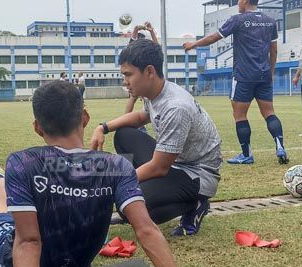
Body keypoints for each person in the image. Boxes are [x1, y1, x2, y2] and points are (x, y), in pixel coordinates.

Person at [0, 81, 238, 267]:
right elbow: (146, 230)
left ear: (37, 128)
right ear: (85, 117)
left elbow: (28, 241)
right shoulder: (115, 166)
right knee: (11, 197)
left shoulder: (22, 162)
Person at [90, 40, 222, 236]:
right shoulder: (156, 92)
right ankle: (135, 184)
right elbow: (141, 117)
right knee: (124, 134)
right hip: (174, 163)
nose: (124, 81)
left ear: (149, 71)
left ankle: (195, 204)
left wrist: (116, 183)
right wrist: (103, 127)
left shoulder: (175, 106)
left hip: (197, 174)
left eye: (128, 75)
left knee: (129, 206)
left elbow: (159, 167)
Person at [183, 0, 288, 165]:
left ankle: (246, 154)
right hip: (263, 75)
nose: (238, 2)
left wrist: (194, 44)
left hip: (243, 75)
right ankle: (280, 146)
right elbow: (274, 50)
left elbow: (215, 37)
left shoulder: (237, 20)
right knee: (269, 112)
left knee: (240, 115)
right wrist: (270, 72)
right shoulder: (270, 21)